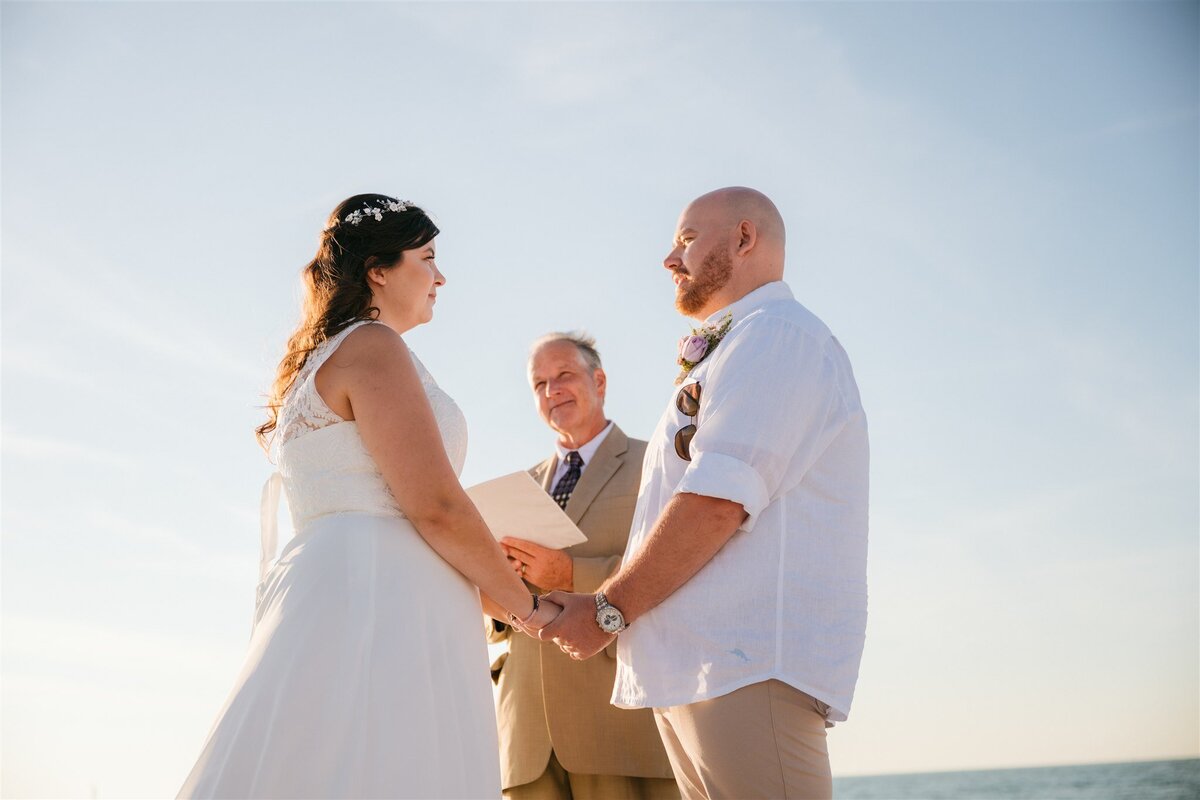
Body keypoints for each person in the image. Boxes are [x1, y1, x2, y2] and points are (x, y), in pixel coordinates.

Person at [178, 194, 561, 799]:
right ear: (379, 270)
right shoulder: (374, 347)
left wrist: (502, 596)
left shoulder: (334, 353)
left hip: (342, 583)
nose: (441, 276)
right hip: (384, 595)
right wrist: (531, 610)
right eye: (428, 258)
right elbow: (434, 506)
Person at [538, 187, 869, 800]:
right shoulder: (744, 341)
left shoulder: (778, 336)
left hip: (743, 667)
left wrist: (608, 611)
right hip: (698, 671)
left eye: (687, 239)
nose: (669, 258)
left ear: (745, 238)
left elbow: (718, 500)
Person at [488, 333, 678, 800]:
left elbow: (680, 564)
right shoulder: (520, 488)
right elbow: (502, 617)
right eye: (539, 383)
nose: (552, 391)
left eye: (564, 376)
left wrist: (571, 576)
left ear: (599, 381)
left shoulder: (656, 463)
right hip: (527, 737)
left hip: (618, 727)